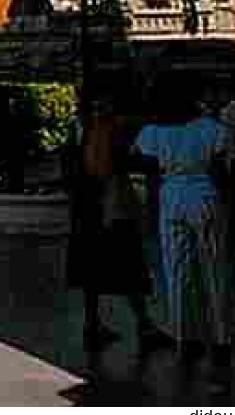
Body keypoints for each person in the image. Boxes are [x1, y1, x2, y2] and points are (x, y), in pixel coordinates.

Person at [132, 80, 232, 372]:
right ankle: (221, 340)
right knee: (215, 269)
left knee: (177, 271)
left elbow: (139, 161)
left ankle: (186, 339)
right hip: (204, 193)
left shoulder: (153, 132)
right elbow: (221, 169)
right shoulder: (211, 129)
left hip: (170, 194)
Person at [64, 88, 168, 352]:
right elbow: (107, 170)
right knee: (128, 267)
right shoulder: (108, 130)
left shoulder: (81, 130)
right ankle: (143, 324)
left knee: (93, 268)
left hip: (87, 207)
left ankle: (94, 323)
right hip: (109, 205)